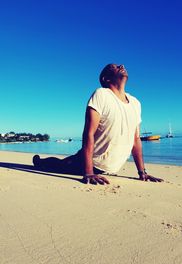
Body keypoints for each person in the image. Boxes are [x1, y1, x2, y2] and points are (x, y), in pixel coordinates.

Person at [33, 63, 163, 185]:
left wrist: (142, 172)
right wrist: (88, 173)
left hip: (111, 169)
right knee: (58, 165)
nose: (121, 66)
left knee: (62, 163)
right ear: (106, 79)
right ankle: (39, 162)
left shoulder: (136, 103)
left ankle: (42, 161)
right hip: (91, 163)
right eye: (114, 67)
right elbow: (88, 133)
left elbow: (135, 140)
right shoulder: (101, 94)